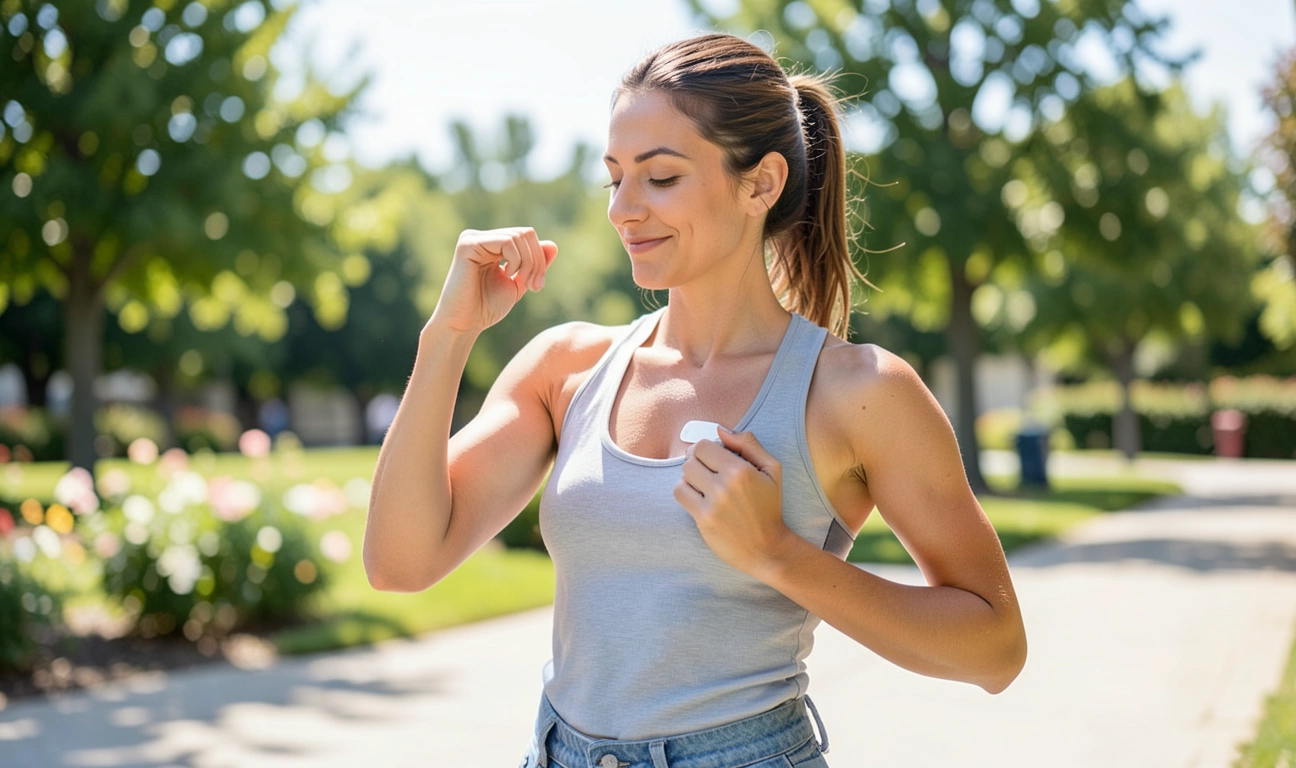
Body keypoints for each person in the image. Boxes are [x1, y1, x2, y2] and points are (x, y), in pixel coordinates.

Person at [364, 32, 1026, 768]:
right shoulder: (567, 369)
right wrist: (447, 335)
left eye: (661, 177)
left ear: (760, 184)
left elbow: (994, 648)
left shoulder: (857, 392)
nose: (622, 209)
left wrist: (779, 556)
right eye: (613, 177)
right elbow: (400, 562)